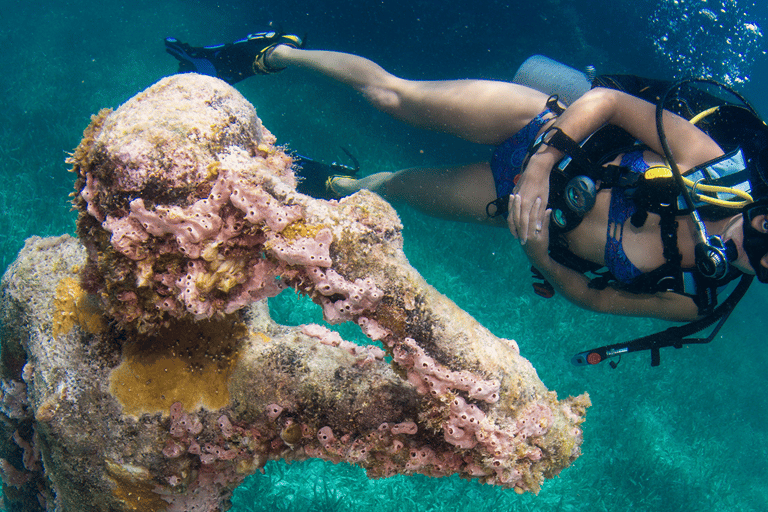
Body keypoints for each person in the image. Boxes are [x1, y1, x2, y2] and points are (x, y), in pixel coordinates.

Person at [164, 31, 768, 328]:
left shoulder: (694, 300)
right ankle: (271, 53)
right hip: (538, 129)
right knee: (391, 95)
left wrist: (539, 250)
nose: (754, 255)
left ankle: (339, 183)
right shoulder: (711, 164)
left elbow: (594, 295)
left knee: (392, 189)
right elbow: (608, 102)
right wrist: (538, 165)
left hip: (508, 204)